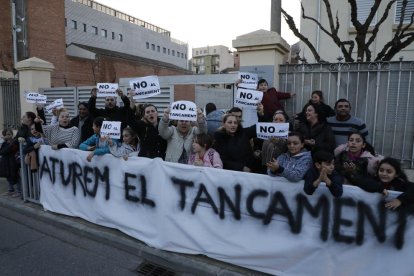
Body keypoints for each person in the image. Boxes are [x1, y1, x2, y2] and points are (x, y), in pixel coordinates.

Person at [0, 128, 21, 197]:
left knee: (16, 176)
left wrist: (11, 145)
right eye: (6, 135)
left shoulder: (15, 142)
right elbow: (2, 152)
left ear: (12, 135)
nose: (8, 136)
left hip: (13, 162)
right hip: (6, 163)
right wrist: (9, 145)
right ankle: (10, 190)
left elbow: (13, 150)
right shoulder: (4, 143)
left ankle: (19, 191)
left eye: (9, 134)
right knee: (8, 176)